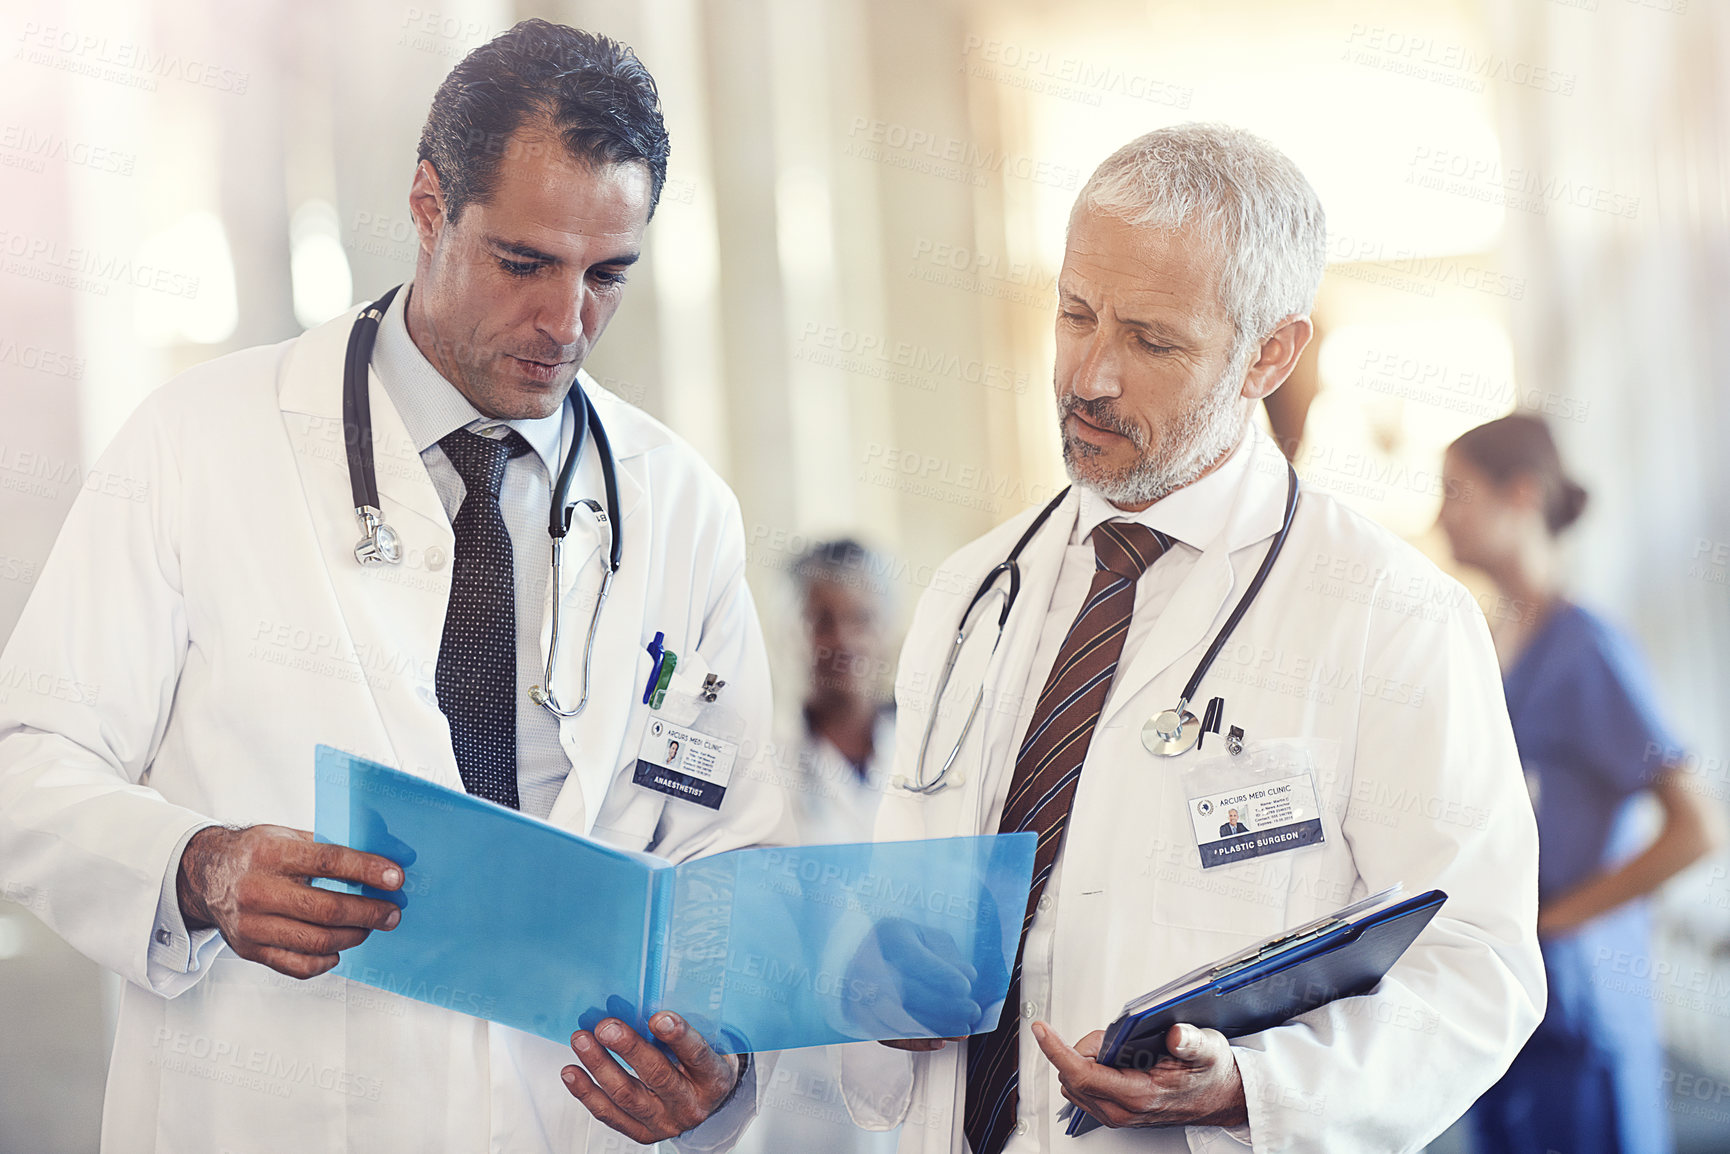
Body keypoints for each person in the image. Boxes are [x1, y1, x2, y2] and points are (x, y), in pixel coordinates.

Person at [0, 21, 787, 1154]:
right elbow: (29, 759)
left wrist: (718, 1062)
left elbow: (732, 853)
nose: (566, 324)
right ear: (428, 204)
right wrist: (196, 863)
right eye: (524, 262)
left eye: (605, 274)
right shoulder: (197, 444)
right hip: (281, 1105)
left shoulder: (679, 503)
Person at [837, 124, 1545, 1153]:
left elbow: (1475, 963)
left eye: (1151, 340)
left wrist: (1255, 1086)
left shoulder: (1391, 617)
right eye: (1074, 313)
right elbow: (900, 908)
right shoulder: (971, 592)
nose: (1088, 374)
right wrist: (877, 983)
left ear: (1268, 352)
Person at [1439, 414, 1723, 1154]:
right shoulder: (1491, 643)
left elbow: (1700, 827)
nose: (1441, 517)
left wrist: (1558, 920)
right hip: (1510, 996)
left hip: (1582, 1003)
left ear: (1521, 495)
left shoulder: (1587, 646)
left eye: (1457, 494)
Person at [735, 539, 902, 1154]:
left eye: (859, 618)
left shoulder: (931, 762)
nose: (841, 640)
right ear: (789, 632)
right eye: (818, 618)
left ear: (887, 630)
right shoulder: (760, 768)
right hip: (796, 1089)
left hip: (916, 1071)